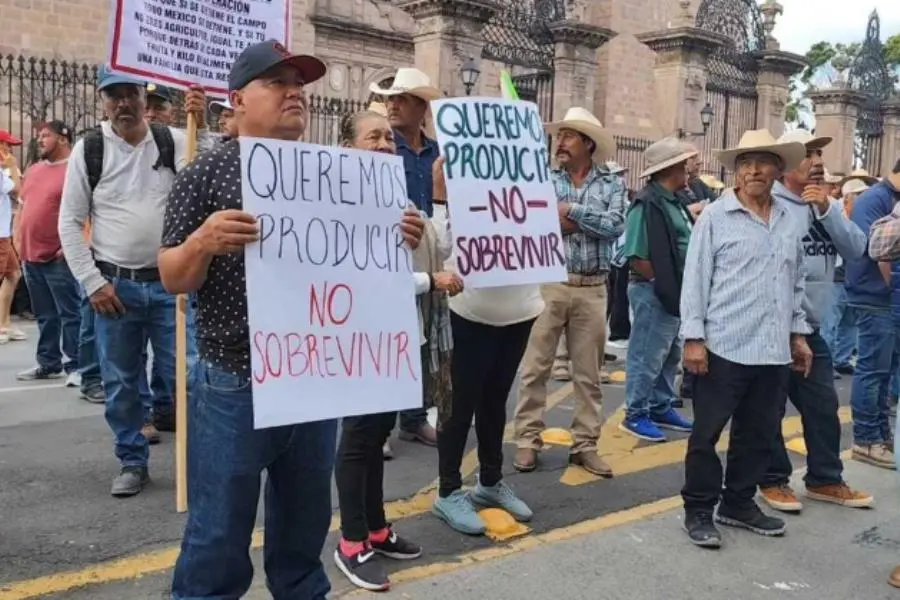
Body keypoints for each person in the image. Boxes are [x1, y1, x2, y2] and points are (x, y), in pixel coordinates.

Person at [158, 40, 425, 599]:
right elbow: (172, 276)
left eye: (299, 83)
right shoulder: (204, 173)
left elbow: (370, 272)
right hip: (235, 381)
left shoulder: (339, 175)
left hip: (314, 382)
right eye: (276, 82)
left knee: (304, 530)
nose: (294, 92)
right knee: (217, 534)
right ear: (237, 100)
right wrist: (202, 243)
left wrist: (400, 238)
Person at [332, 110, 460, 591]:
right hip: (359, 336)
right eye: (373, 137)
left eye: (388, 136)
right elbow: (361, 275)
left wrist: (440, 197)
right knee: (360, 437)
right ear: (347, 148)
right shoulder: (336, 201)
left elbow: (439, 247)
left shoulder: (397, 197)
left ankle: (377, 528)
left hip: (397, 334)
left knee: (378, 429)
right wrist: (430, 281)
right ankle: (350, 542)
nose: (386, 144)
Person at [58, 66, 198, 496]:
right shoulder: (91, 150)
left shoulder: (175, 142)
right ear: (103, 101)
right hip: (115, 289)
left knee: (190, 377)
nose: (122, 103)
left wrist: (202, 121)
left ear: (144, 96)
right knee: (121, 383)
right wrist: (93, 283)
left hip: (171, 287)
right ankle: (132, 460)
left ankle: (201, 463)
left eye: (130, 93)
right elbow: (69, 222)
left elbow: (208, 183)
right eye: (112, 95)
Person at [680, 129, 812, 548]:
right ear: (736, 173)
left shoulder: (790, 220)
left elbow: (796, 283)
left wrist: (798, 334)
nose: (753, 170)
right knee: (706, 434)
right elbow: (695, 280)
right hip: (724, 346)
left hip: (772, 349)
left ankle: (737, 502)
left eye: (761, 162)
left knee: (758, 434)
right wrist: (693, 338)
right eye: (744, 164)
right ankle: (699, 509)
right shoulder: (716, 217)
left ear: (777, 169)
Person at [756, 130, 872, 513]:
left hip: (813, 330)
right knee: (768, 408)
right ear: (787, 164)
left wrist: (826, 210)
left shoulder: (825, 205)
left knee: (822, 407)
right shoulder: (771, 203)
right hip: (773, 326)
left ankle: (824, 478)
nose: (818, 162)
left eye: (820, 153)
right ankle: (773, 479)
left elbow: (857, 249)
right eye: (808, 154)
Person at [512, 108, 625, 477]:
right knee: (535, 368)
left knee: (588, 373)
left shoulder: (612, 182)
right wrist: (579, 219)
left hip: (593, 287)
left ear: (588, 144)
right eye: (558, 136)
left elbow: (615, 227)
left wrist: (570, 211)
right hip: (550, 283)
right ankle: (527, 440)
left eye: (567, 136)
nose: (558, 143)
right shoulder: (543, 178)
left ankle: (585, 444)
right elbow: (533, 223)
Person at [370, 68, 442, 454]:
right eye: (389, 99)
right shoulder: (382, 147)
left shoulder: (437, 152)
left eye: (402, 98)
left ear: (422, 107)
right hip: (390, 244)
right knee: (387, 335)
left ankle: (414, 419)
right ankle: (377, 423)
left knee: (424, 337)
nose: (392, 105)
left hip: (430, 242)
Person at [618, 137, 696, 442]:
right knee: (647, 354)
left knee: (668, 353)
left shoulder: (670, 201)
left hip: (669, 292)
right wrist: (660, 285)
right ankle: (635, 412)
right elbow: (637, 256)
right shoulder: (646, 203)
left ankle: (660, 405)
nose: (689, 168)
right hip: (654, 292)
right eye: (684, 164)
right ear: (672, 168)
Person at [14, 121, 83, 385]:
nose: (40, 140)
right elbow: (23, 206)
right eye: (39, 136)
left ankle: (76, 366)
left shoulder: (74, 170)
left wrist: (70, 246)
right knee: (45, 314)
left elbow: (86, 210)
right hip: (30, 256)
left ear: (63, 139)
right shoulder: (33, 170)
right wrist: (17, 238)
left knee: (70, 313)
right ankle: (48, 361)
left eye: (46, 136)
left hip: (58, 257)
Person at [845, 162, 899, 470]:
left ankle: (880, 435)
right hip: (873, 294)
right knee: (873, 369)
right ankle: (866, 439)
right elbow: (871, 247)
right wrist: (891, 284)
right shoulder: (874, 198)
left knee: (886, 370)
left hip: (886, 296)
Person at [0, 129, 26, 344]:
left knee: (14, 273)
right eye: (6, 145)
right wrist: (11, 168)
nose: (9, 150)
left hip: (4, 233)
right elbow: (18, 190)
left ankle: (4, 323)